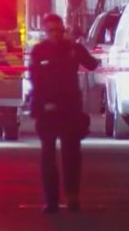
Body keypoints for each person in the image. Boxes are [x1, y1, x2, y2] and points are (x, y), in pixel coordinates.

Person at [29, 14, 99, 214]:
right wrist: (41, 104)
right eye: (51, 30)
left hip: (70, 109)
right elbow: (35, 79)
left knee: (72, 156)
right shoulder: (39, 51)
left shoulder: (72, 48)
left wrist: (76, 45)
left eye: (58, 30)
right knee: (48, 158)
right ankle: (51, 201)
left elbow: (92, 64)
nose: (55, 34)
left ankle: (72, 198)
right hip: (48, 110)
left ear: (63, 30)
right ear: (45, 31)